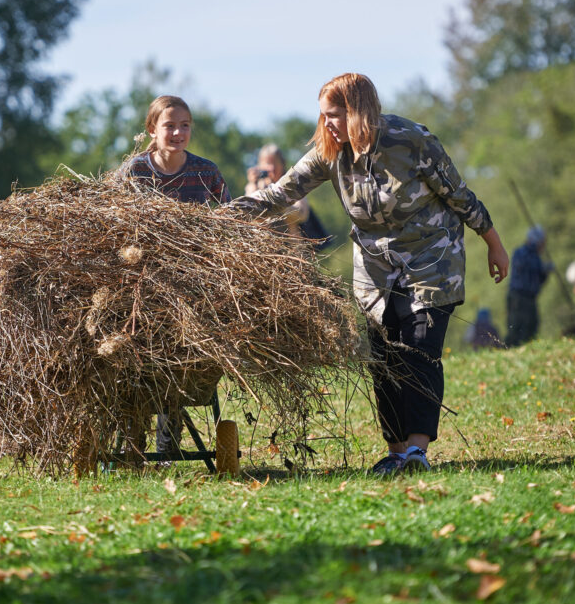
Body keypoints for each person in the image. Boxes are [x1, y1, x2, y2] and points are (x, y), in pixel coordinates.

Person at [231, 73, 508, 475]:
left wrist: (493, 243)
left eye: (335, 115)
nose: (327, 124)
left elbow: (458, 194)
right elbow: (281, 194)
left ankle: (417, 452)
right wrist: (218, 217)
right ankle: (395, 452)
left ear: (359, 111)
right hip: (376, 267)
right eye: (323, 115)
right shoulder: (330, 152)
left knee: (419, 350)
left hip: (431, 258)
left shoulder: (410, 140)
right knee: (383, 357)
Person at [117, 95, 231, 458]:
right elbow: (109, 220)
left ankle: (169, 434)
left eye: (184, 125)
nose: (178, 132)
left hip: (192, 279)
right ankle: (132, 436)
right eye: (169, 125)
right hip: (140, 277)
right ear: (153, 129)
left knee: (180, 357)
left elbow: (229, 219)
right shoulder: (135, 172)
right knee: (135, 353)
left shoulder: (205, 172)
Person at [246, 144, 332, 249]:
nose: (272, 168)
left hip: (291, 251)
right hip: (265, 250)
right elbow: (250, 212)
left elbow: (302, 213)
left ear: (282, 164)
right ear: (260, 165)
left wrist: (276, 203)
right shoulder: (255, 187)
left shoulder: (292, 186)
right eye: (268, 163)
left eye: (275, 163)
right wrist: (254, 184)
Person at [505, 225, 553, 347]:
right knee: (516, 326)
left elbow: (538, 281)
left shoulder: (536, 257)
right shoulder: (522, 252)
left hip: (530, 298)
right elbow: (523, 268)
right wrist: (542, 269)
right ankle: (509, 349)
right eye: (543, 242)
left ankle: (527, 348)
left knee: (532, 325)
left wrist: (545, 273)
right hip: (518, 297)